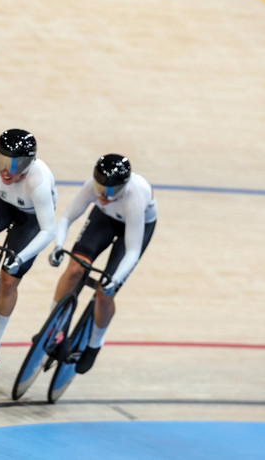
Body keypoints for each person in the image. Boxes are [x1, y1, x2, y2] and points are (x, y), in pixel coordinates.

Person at [48, 153, 157, 373]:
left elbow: (133, 250)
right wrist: (59, 246)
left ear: (124, 186)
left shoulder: (135, 195)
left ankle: (95, 343)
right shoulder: (92, 187)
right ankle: (52, 328)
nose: (104, 195)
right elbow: (66, 218)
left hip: (136, 226)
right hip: (105, 219)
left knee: (104, 293)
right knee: (74, 269)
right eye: (101, 189)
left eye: (111, 191)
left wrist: (114, 281)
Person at [0, 128, 58, 377]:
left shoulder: (38, 181)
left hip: (30, 219)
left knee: (9, 280)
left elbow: (48, 231)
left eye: (17, 164)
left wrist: (19, 258)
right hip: (1, 206)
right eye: (4, 161)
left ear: (29, 163)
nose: (8, 170)